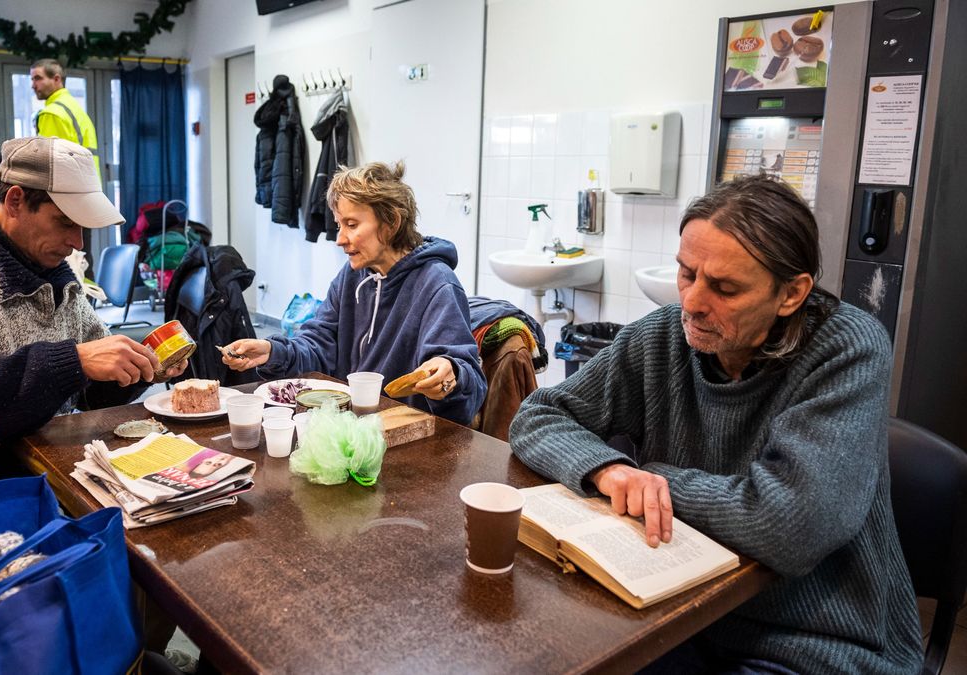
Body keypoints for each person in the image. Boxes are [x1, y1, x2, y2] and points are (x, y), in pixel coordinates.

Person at [509, 174, 921, 674]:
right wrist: (609, 469)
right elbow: (539, 414)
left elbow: (788, 527)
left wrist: (659, 478)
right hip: (682, 613)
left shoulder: (846, 350)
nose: (692, 302)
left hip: (813, 642)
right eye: (686, 274)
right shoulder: (663, 337)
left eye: (724, 288)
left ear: (790, 294)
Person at [0, 136, 188, 504]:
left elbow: (91, 393)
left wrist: (139, 366)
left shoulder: (57, 278)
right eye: (64, 222)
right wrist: (72, 361)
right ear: (15, 201)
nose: (78, 242)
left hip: (47, 475)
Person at [222, 161, 486, 427]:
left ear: (391, 222)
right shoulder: (352, 276)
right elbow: (318, 344)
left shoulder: (437, 284)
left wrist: (450, 374)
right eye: (339, 225)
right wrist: (273, 351)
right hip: (349, 431)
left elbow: (467, 386)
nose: (340, 239)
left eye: (351, 224)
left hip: (403, 438)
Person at [29, 58, 101, 181]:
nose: (33, 85)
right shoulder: (74, 107)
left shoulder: (51, 113)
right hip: (88, 185)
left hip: (68, 189)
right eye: (32, 79)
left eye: (38, 78)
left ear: (57, 79)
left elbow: (50, 163)